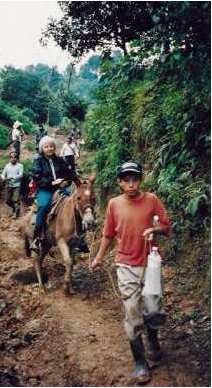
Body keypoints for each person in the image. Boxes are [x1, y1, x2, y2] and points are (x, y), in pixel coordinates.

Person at [91, 161, 171, 384]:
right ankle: (140, 362)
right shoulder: (114, 204)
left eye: (134, 179)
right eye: (126, 179)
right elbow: (108, 235)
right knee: (133, 312)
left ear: (140, 180)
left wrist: (153, 229)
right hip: (126, 265)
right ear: (119, 182)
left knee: (153, 307)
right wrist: (98, 258)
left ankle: (153, 340)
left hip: (150, 264)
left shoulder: (152, 200)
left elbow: (166, 226)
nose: (131, 183)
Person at [31, 136, 87, 253]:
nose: (49, 149)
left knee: (75, 204)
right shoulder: (38, 161)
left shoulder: (60, 160)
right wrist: (51, 183)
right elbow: (37, 178)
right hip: (46, 189)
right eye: (46, 147)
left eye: (51, 146)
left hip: (61, 189)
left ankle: (81, 238)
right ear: (42, 149)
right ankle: (37, 237)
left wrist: (73, 181)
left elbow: (69, 172)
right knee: (43, 206)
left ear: (54, 147)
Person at [1, 151, 24, 217]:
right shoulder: (7, 166)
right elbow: (3, 174)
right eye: (11, 157)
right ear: (10, 158)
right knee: (7, 201)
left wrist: (13, 177)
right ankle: (15, 208)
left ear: (16, 158)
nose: (13, 158)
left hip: (17, 185)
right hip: (8, 185)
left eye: (14, 157)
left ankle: (16, 213)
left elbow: (21, 174)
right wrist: (3, 178)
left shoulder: (20, 166)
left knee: (15, 200)